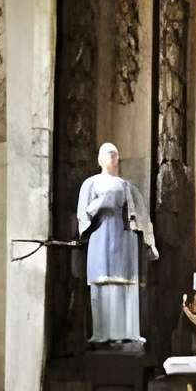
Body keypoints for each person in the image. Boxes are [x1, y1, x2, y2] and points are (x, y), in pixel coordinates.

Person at [76, 143, 157, 345]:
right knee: (103, 283)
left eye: (115, 154)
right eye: (108, 154)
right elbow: (83, 213)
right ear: (100, 159)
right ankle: (102, 333)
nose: (112, 157)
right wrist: (103, 202)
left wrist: (149, 240)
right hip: (101, 236)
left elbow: (141, 215)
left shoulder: (126, 186)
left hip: (124, 238)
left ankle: (127, 331)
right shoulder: (91, 183)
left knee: (125, 285)